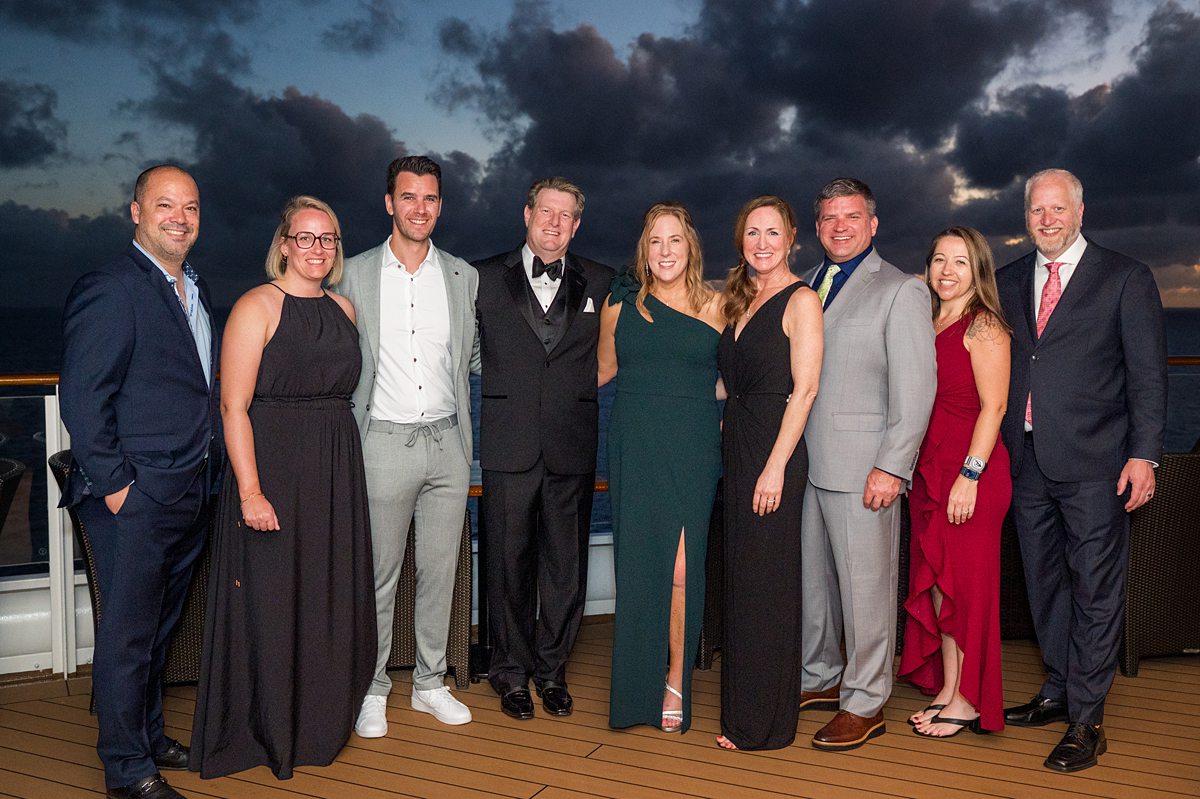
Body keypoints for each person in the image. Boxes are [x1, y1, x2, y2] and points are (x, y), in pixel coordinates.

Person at [190, 196, 376, 778]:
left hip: (334, 470)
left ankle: (319, 721)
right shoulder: (256, 306)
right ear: (284, 244)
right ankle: (268, 728)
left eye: (329, 239)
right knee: (272, 599)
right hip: (274, 468)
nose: (318, 248)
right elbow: (233, 405)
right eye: (307, 237)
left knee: (325, 594)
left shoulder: (344, 308)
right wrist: (249, 491)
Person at [998, 168, 1166, 772]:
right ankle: (1059, 688)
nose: (1047, 219)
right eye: (1036, 210)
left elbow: (1148, 376)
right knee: (1043, 584)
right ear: (1026, 217)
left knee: (1095, 590)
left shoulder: (1125, 278)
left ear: (1079, 211)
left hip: (1098, 464)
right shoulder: (1010, 279)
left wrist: (1144, 454)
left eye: (1057, 209)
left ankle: (1087, 721)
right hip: (1025, 461)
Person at [60, 164, 217, 799]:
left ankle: (148, 737)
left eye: (191, 207)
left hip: (188, 490)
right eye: (165, 205)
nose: (179, 217)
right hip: (139, 498)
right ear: (136, 212)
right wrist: (121, 487)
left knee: (156, 630)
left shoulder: (192, 289)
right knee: (128, 638)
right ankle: (127, 770)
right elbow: (82, 399)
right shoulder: (113, 287)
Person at [340, 155, 481, 735]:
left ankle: (428, 682)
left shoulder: (463, 276)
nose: (419, 208)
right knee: (379, 573)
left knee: (440, 571)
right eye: (408, 197)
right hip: (383, 443)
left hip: (449, 442)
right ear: (389, 203)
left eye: (429, 198)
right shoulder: (352, 273)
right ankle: (372, 687)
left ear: (439, 206)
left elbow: (472, 356)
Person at [799, 177, 936, 751]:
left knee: (866, 588)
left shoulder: (901, 290)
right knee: (817, 586)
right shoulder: (807, 283)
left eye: (851, 217)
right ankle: (822, 677)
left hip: (864, 468)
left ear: (873, 224)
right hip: (805, 461)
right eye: (829, 218)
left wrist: (892, 466)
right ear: (817, 225)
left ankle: (866, 699)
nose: (839, 227)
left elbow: (917, 389)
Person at [473, 177, 613, 720]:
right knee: (507, 565)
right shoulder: (482, 277)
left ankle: (552, 672)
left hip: (572, 445)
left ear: (576, 225)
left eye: (566, 216)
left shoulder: (602, 280)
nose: (553, 223)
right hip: (508, 445)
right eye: (545, 212)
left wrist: (567, 395)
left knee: (564, 567)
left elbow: (612, 357)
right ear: (526, 214)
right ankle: (509, 674)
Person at [598, 202, 724, 733]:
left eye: (675, 240)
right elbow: (598, 372)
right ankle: (636, 688)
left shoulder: (720, 305)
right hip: (635, 444)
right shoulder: (618, 305)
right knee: (639, 565)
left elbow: (731, 381)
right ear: (643, 251)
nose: (665, 251)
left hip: (693, 445)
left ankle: (675, 675)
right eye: (655, 241)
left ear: (690, 247)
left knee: (679, 568)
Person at [715, 196, 823, 750]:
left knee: (768, 587)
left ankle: (765, 724)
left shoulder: (802, 300)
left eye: (772, 233)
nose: (761, 243)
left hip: (773, 454)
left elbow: (804, 390)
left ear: (791, 238)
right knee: (741, 582)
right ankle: (740, 713)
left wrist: (776, 466)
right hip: (737, 450)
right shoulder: (738, 300)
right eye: (752, 232)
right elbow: (725, 385)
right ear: (742, 241)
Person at [898, 227, 1011, 739]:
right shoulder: (925, 320)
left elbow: (995, 407)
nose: (947, 271)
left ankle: (969, 700)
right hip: (928, 471)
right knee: (943, 586)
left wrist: (970, 475)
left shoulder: (983, 325)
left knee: (968, 588)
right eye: (939, 259)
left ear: (978, 271)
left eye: (961, 262)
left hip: (970, 471)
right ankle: (950, 688)